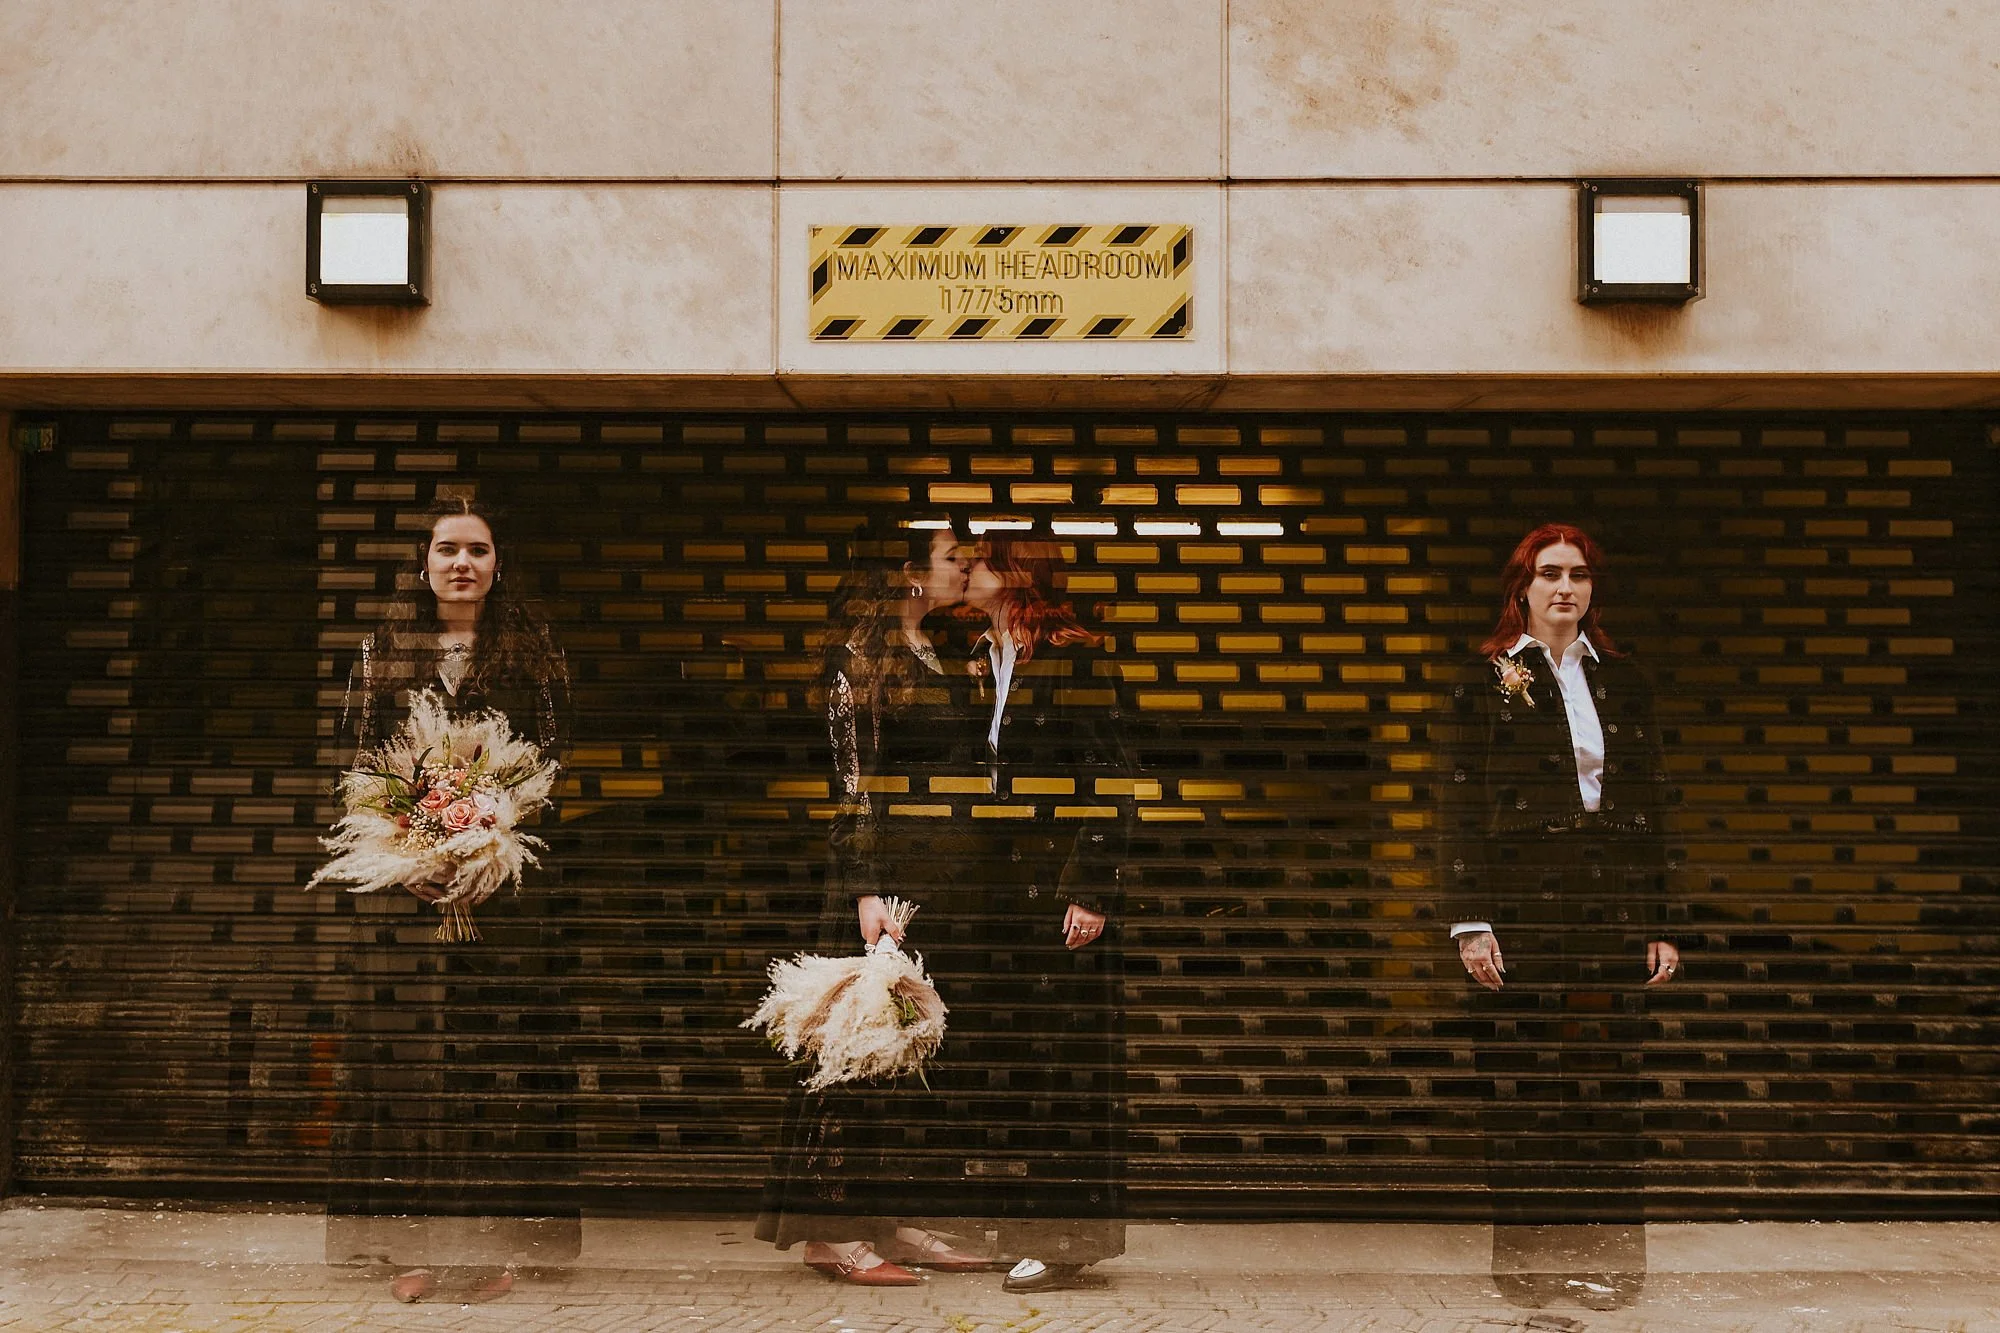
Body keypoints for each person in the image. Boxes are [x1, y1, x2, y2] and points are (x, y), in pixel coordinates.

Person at [325, 495, 576, 1305]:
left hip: (500, 889)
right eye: (446, 549)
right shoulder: (381, 651)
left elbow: (552, 765)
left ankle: (492, 1249)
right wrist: (408, 856)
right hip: (401, 894)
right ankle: (405, 1247)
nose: (462, 562)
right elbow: (358, 769)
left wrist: (491, 843)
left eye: (478, 548)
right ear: (422, 562)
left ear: (499, 563)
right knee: (406, 1069)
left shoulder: (534, 652)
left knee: (491, 1064)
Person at [1437, 522, 1681, 1309]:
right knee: (1525, 1085)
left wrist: (1659, 917)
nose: (1565, 587)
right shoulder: (1486, 678)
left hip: (1607, 900)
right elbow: (1457, 804)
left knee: (1609, 1087)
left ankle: (1610, 1264)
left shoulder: (1623, 680)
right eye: (1550, 573)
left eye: (1578, 573)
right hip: (1520, 903)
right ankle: (1532, 1266)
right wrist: (1471, 918)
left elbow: (1648, 801)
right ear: (1523, 587)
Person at [754, 517, 991, 1286]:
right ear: (910, 572)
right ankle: (835, 1231)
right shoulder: (856, 662)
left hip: (936, 882)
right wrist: (865, 888)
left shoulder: (943, 652)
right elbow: (851, 782)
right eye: (955, 558)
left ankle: (894, 1217)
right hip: (878, 887)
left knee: (911, 1047)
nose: (967, 568)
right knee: (856, 1050)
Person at [955, 531, 1132, 1294]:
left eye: (982, 561)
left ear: (1018, 576)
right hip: (1004, 887)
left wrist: (1092, 883)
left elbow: (1113, 775)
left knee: (1069, 1061)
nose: (967, 570)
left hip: (1063, 890)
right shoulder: (983, 656)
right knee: (1024, 1056)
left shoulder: (1078, 658)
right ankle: (1023, 1222)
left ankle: (1064, 1238)